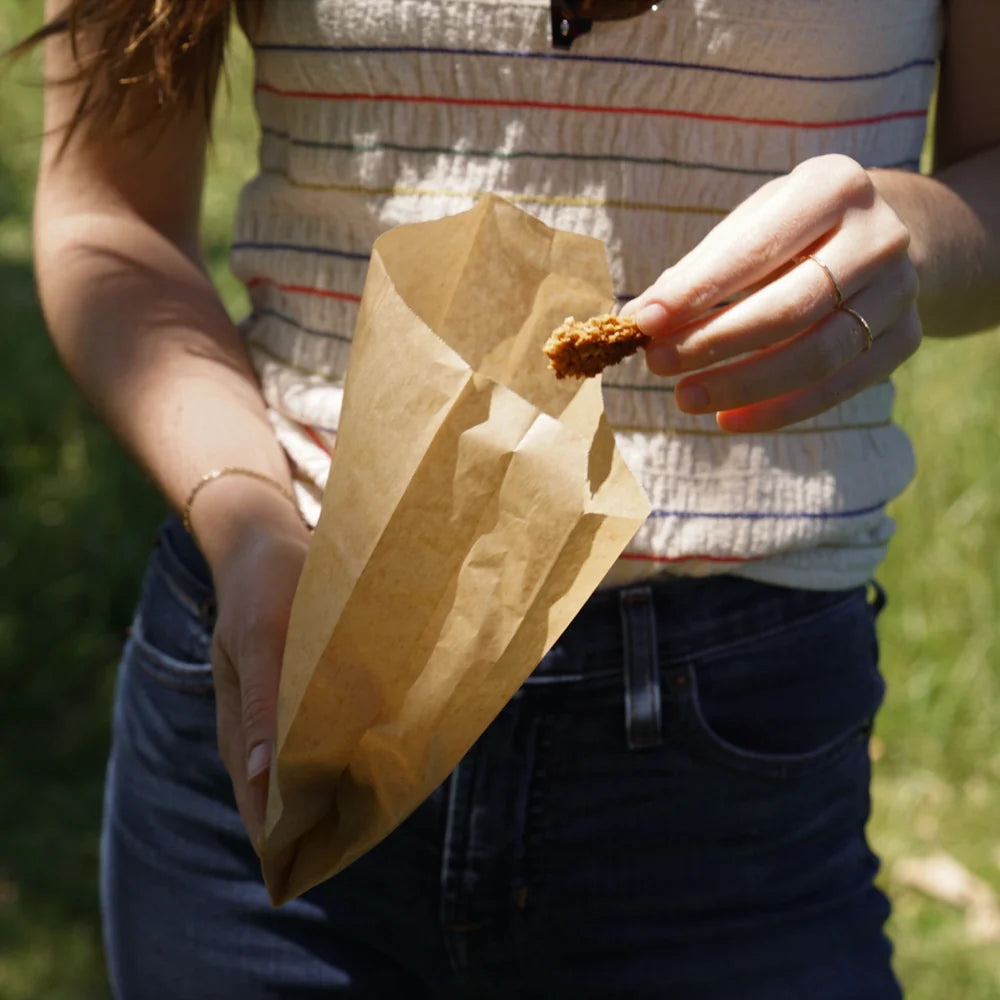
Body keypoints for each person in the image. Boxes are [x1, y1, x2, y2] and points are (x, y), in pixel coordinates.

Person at [26, 0, 1000, 996]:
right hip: (287, 679)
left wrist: (911, 239)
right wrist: (244, 518)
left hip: (728, 766)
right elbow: (110, 216)